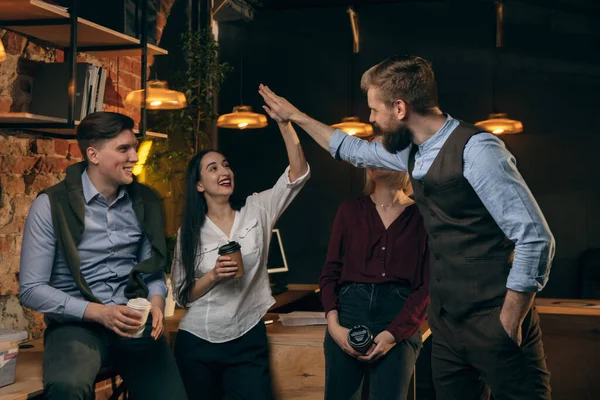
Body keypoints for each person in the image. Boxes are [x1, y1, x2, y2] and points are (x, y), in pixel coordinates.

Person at [258, 54, 555, 400]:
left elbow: (536, 239)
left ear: (399, 108)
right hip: (447, 324)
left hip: (494, 317)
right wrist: (294, 116)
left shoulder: (478, 150)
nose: (370, 119)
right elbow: (350, 149)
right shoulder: (409, 152)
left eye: (374, 109)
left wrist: (509, 320)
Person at [19, 111, 187, 399]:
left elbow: (152, 272)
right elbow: (31, 290)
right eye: (124, 149)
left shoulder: (145, 202)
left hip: (133, 320)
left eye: (134, 147)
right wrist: (100, 313)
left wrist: (157, 304)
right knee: (66, 388)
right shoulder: (49, 205)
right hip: (76, 326)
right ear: (93, 155)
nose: (135, 156)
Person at [171, 115, 310, 400]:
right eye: (213, 168)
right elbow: (183, 295)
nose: (224, 171)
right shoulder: (190, 233)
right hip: (198, 342)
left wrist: (285, 124)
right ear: (199, 185)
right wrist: (213, 276)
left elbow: (298, 173)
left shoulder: (257, 209)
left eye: (226, 165)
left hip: (247, 337)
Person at [320, 135, 429, 400]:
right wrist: (334, 327)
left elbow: (426, 286)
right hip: (348, 314)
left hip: (398, 317)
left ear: (403, 159)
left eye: (382, 150)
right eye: (369, 149)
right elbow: (330, 273)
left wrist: (393, 335)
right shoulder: (349, 211)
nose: (372, 156)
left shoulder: (423, 215)